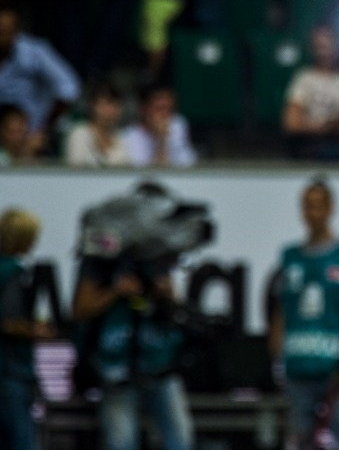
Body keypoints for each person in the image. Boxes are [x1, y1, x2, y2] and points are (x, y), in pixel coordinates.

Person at [71, 185, 194, 449]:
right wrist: (115, 292)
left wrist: (165, 293)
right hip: (116, 364)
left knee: (180, 439)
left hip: (159, 362)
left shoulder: (159, 255)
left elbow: (174, 306)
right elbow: (80, 309)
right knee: (121, 442)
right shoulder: (101, 257)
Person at [266, 179, 339, 449]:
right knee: (301, 435)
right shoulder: (290, 256)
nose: (313, 213)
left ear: (330, 208)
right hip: (297, 364)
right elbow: (281, 310)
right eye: (307, 206)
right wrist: (276, 355)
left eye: (318, 206)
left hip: (335, 366)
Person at [0, 208, 57, 449]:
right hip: (12, 366)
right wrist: (38, 331)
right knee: (22, 437)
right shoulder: (14, 272)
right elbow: (9, 321)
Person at [0, 1, 80, 158]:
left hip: (30, 136)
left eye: (7, 31)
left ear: (17, 31)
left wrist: (44, 128)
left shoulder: (34, 52)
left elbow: (69, 88)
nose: (2, 37)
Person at [281, 25, 339, 160]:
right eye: (318, 47)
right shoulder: (304, 78)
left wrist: (329, 127)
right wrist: (326, 127)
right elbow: (291, 123)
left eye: (327, 46)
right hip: (304, 147)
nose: (323, 52)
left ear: (337, 47)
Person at [123, 83, 197, 167]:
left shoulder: (177, 125)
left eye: (169, 109)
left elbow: (188, 164)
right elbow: (149, 176)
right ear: (143, 110)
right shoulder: (128, 137)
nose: (165, 115)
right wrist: (161, 141)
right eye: (159, 109)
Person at [64, 83, 132, 168]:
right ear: (93, 106)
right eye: (106, 104)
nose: (111, 111)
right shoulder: (80, 134)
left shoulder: (122, 138)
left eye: (115, 105)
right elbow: (75, 170)